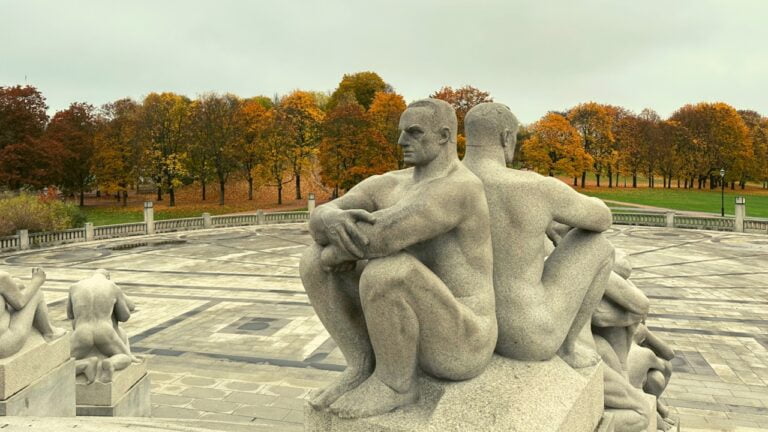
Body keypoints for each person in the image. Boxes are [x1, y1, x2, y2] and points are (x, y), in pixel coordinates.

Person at [301, 98, 497, 418]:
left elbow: (376, 239)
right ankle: (362, 365)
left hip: (463, 338)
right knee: (312, 262)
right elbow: (322, 216)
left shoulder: (460, 187)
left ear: (445, 136)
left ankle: (397, 384)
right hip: (420, 324)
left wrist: (333, 252)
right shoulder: (390, 183)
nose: (401, 141)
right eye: (401, 132)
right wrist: (330, 220)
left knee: (388, 271)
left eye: (415, 132)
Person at [462, 102, 614, 369]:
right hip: (527, 335)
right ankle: (568, 347)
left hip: (469, 330)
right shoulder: (533, 187)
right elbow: (602, 218)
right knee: (598, 244)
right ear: (506, 137)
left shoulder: (443, 183)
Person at [68, 269, 139, 383]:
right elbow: (124, 316)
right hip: (104, 330)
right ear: (108, 277)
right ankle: (111, 363)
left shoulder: (74, 286)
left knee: (63, 363)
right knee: (126, 357)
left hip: (82, 331)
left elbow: (70, 314)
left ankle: (84, 364)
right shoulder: (112, 287)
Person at [0, 267, 66, 358]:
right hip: (4, 343)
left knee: (17, 283)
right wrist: (37, 280)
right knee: (36, 293)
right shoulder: (2, 277)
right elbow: (20, 303)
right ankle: (50, 333)